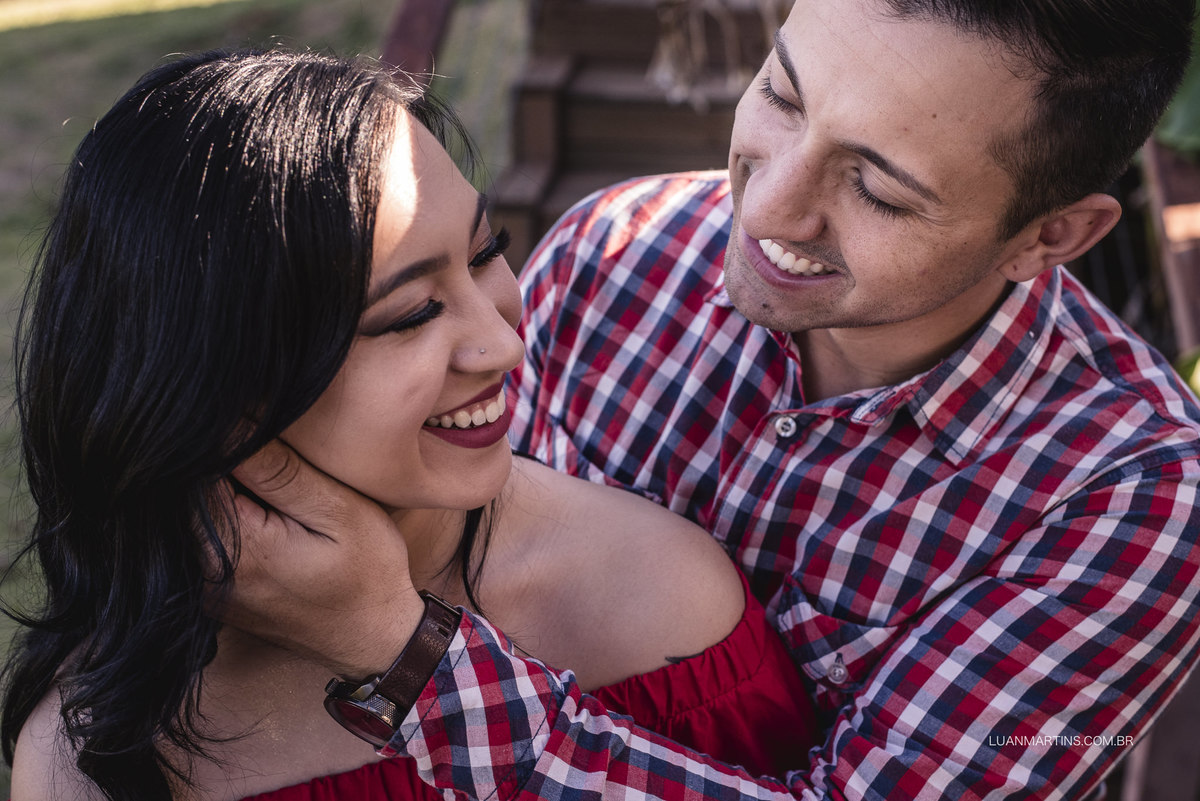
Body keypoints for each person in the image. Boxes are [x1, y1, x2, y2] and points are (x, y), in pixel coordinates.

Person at [208, 0, 1200, 799]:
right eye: (782, 95)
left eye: (879, 190)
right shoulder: (612, 253)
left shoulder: (1134, 503)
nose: (764, 209)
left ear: (1051, 235)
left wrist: (402, 652)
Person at [0, 49, 820, 801]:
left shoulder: (657, 604)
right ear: (204, 381)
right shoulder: (95, 745)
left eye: (486, 251)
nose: (503, 343)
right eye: (412, 313)